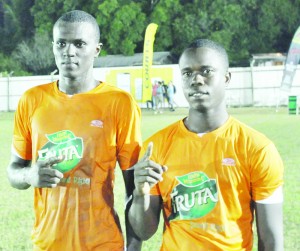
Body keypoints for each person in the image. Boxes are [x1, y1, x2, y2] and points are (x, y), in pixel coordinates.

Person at [128, 39, 284, 250]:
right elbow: (144, 231)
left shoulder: (257, 149)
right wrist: (140, 193)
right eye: (187, 73)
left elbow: (271, 239)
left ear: (227, 78)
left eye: (206, 71)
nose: (196, 80)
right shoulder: (156, 146)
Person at [7, 10, 142, 251]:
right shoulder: (31, 100)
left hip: (102, 243)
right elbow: (13, 171)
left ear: (97, 50)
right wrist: (30, 176)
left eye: (79, 44)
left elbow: (133, 189)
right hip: (47, 243)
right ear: (53, 47)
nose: (69, 52)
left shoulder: (119, 102)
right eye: (62, 43)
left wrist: (134, 245)